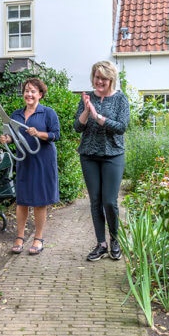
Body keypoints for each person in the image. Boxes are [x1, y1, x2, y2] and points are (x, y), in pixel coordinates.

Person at [74, 61, 130, 261]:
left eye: (104, 78)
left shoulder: (120, 99)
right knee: (95, 201)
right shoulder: (87, 98)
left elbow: (122, 126)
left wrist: (99, 118)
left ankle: (115, 239)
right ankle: (101, 244)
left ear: (111, 79)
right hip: (89, 155)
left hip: (113, 155)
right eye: (97, 77)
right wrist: (87, 111)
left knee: (109, 201)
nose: (99, 81)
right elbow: (77, 127)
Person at [0, 78, 60, 255]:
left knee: (40, 201)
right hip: (24, 160)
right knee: (22, 200)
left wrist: (38, 133)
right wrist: (6, 139)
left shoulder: (48, 113)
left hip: (43, 160)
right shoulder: (16, 115)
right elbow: (12, 135)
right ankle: (19, 237)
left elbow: (55, 135)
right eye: (27, 90)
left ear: (40, 94)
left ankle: (38, 238)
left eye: (33, 91)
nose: (29, 94)